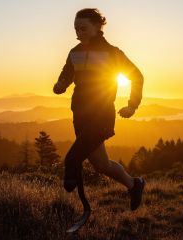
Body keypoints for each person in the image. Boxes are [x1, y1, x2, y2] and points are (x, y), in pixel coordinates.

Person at [53, 8, 145, 210]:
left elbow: (136, 76)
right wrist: (60, 84)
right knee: (101, 165)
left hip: (101, 114)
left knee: (73, 158)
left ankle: (71, 186)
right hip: (80, 114)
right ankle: (134, 185)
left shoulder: (112, 53)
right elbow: (66, 75)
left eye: (83, 28)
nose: (78, 33)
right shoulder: (74, 52)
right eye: (76, 29)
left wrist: (132, 105)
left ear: (97, 27)